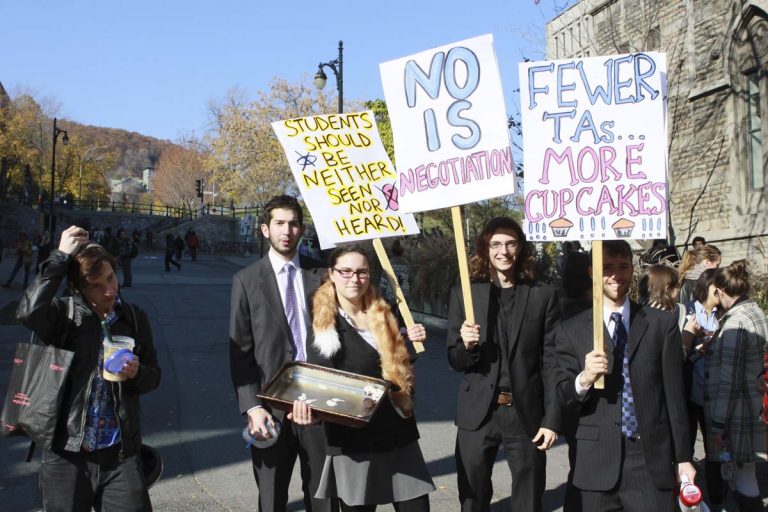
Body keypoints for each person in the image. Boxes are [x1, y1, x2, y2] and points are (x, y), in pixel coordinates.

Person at [16, 225, 161, 512]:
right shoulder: (62, 316)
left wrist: (137, 373)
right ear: (78, 287)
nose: (108, 290)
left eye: (110, 278)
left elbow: (154, 377)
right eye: (95, 284)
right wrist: (59, 257)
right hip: (67, 454)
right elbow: (28, 311)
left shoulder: (133, 318)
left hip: (120, 452)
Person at [554, 240, 695, 511]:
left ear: (632, 270)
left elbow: (675, 398)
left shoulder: (660, 324)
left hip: (649, 458)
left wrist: (683, 458)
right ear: (592, 272)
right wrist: (584, 379)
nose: (616, 275)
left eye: (623, 267)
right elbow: (562, 396)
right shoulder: (570, 330)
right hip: (595, 461)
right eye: (607, 268)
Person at [295, 244, 435, 511]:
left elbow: (395, 364)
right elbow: (322, 383)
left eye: (362, 272)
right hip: (353, 439)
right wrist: (312, 412)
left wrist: (409, 342)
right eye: (345, 271)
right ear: (332, 274)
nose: (354, 278)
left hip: (397, 431)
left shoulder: (385, 311)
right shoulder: (323, 323)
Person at [229, 195, 336, 512]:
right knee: (271, 498)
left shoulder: (324, 276)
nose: (286, 230)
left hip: (319, 405)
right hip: (270, 408)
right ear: (265, 229)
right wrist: (251, 407)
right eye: (279, 223)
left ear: (302, 229)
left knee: (324, 498)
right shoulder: (246, 281)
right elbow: (240, 351)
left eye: (293, 223)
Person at [447, 216, 561, 512]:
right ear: (485, 249)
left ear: (520, 247)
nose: (503, 251)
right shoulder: (466, 293)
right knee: (472, 497)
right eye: (496, 244)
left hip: (525, 414)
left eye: (511, 243)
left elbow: (551, 361)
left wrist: (552, 419)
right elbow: (455, 360)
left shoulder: (542, 295)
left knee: (529, 496)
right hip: (477, 414)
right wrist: (467, 346)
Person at [704, 260, 768, 511]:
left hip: (738, 413)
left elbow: (728, 381)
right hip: (754, 406)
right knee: (746, 471)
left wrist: (718, 425)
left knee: (743, 475)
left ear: (719, 290)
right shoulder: (758, 313)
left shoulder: (734, 323)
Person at [680, 268, 725, 509]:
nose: (721, 291)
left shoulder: (724, 314)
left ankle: (717, 499)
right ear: (708, 285)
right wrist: (696, 350)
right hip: (689, 392)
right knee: (685, 448)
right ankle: (688, 499)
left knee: (715, 449)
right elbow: (675, 353)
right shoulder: (686, 309)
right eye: (718, 286)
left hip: (714, 395)